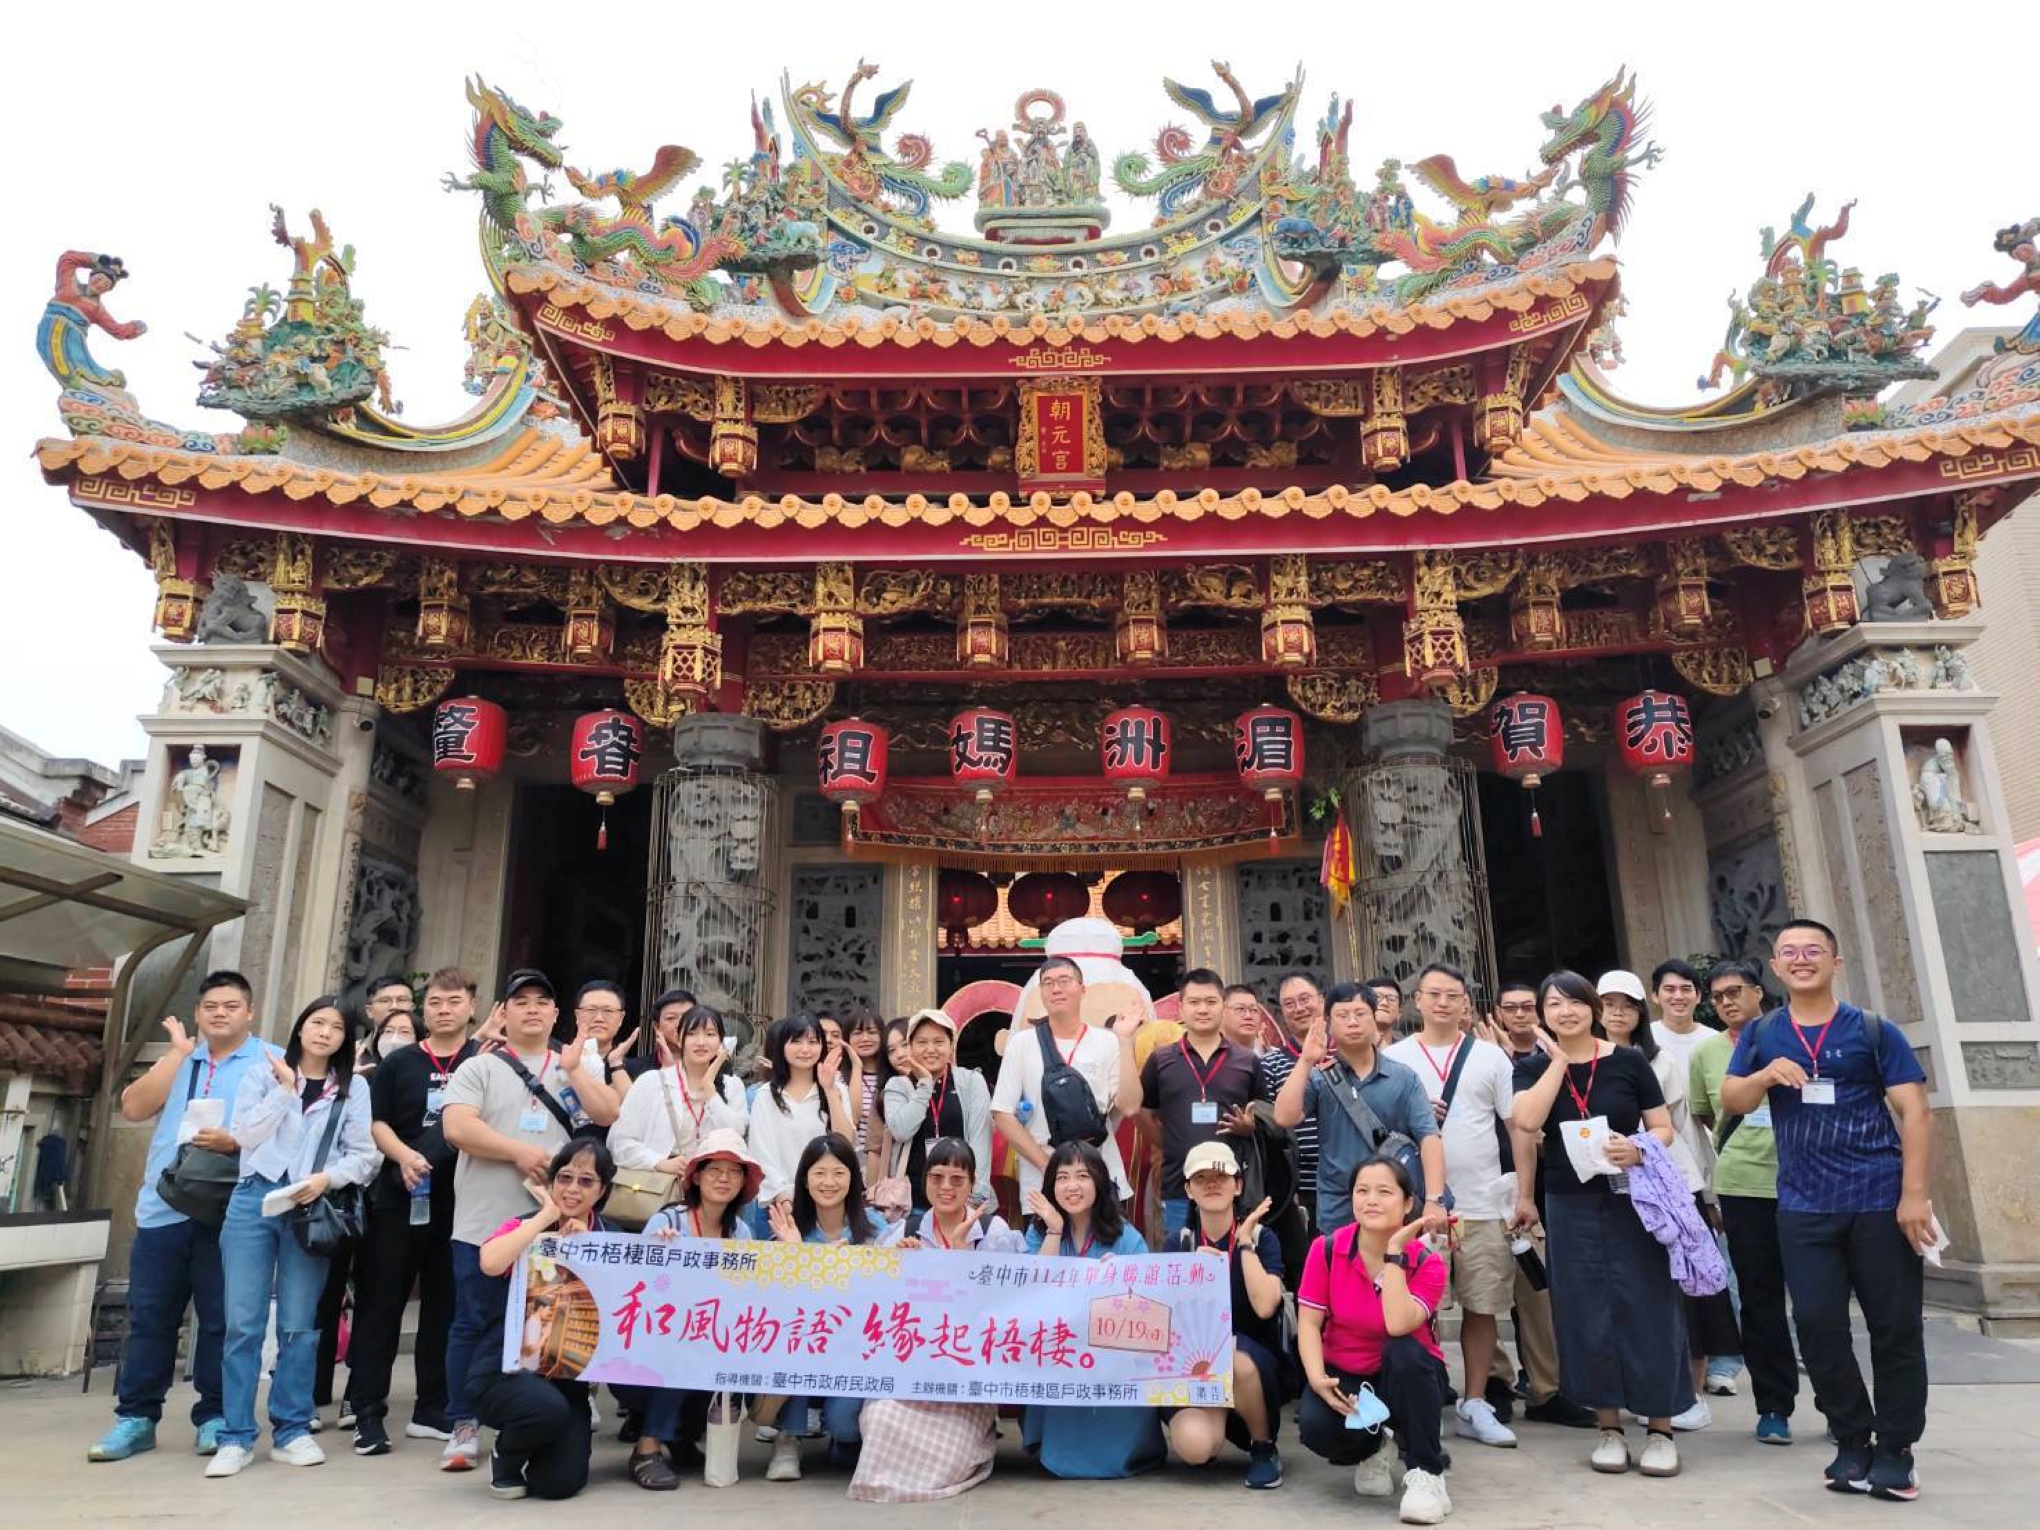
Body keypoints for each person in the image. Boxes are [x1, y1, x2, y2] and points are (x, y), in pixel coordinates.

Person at [1721, 919, 1932, 1501]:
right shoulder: (1763, 1032)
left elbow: (1915, 1111)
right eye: (1789, 952)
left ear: (1835, 962)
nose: (1801, 958)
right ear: (1775, 967)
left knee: (1894, 1327)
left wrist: (1914, 1194)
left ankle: (1897, 1448)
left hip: (1878, 1200)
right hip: (1803, 1205)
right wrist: (1764, 1074)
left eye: (1813, 950)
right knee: (1817, 1325)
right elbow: (1732, 1097)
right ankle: (1852, 1438)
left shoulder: (1872, 1029)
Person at [90, 971, 277, 1464]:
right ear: (197, 1013)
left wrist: (236, 1142)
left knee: (221, 1320)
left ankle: (214, 1417)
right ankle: (136, 1418)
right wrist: (177, 1053)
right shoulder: (180, 1058)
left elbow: (290, 1131)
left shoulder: (271, 1060)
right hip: (163, 1208)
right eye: (210, 1006)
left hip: (232, 1210)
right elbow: (133, 1108)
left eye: (231, 1006)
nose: (220, 1014)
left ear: (250, 1012)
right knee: (151, 1318)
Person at [438, 968, 620, 1471]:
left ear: (557, 1014)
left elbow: (608, 1114)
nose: (533, 1009)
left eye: (543, 1001)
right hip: (486, 1220)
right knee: (473, 1322)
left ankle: (544, 1411)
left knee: (557, 1320)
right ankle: (463, 1422)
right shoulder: (480, 1066)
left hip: (557, 1230)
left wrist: (577, 1071)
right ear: (504, 1012)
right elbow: (456, 1127)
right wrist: (519, 1151)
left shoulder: (571, 1063)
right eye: (522, 1001)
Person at [1511, 971, 1689, 1478]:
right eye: (1554, 1004)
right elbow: (1526, 1122)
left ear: (1592, 1007)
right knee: (1584, 1313)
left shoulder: (1629, 1062)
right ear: (1543, 1015)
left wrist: (1639, 1147)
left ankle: (1660, 1429)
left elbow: (1663, 1126)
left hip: (1635, 1199)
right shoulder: (1532, 1066)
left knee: (1649, 1308)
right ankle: (1608, 1427)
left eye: (1574, 1002)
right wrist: (1557, 1062)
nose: (1565, 1012)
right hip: (1569, 1204)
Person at [206, 996, 380, 1477]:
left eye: (336, 1028)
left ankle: (291, 1429)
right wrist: (285, 1091)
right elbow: (244, 1135)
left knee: (300, 1325)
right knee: (242, 1324)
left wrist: (327, 1179)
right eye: (317, 1022)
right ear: (301, 1027)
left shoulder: (353, 1089)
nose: (325, 1033)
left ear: (347, 1040)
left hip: (310, 1204)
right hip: (253, 1199)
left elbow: (365, 1155)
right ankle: (236, 1435)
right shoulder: (264, 1073)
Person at [1384, 963, 1520, 1449]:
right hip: (1418, 1208)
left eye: (1453, 995)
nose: (1443, 1003)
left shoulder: (1491, 1057)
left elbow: (1515, 1126)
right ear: (1416, 1000)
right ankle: (1425, 1397)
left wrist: (1522, 1194)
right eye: (1433, 994)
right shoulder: (1394, 1058)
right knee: (1419, 1307)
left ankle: (1476, 1400)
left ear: (1466, 1002)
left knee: (1481, 1304)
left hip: (1481, 1202)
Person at [1598, 971, 1738, 1432]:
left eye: (1627, 1004)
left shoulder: (1660, 1060)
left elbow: (1683, 1130)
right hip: (1612, 1188)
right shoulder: (1584, 1059)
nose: (1618, 1013)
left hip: (1671, 1185)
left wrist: (1706, 1191)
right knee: (1634, 1294)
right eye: (1609, 1004)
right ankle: (1640, 1388)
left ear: (1642, 1010)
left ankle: (1691, 1393)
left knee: (1688, 1291)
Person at [350, 967, 479, 1456]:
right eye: (435, 1002)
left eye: (454, 1001)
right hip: (397, 1197)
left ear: (472, 1006)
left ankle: (433, 1409)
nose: (443, 1010)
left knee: (446, 1307)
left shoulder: (483, 1060)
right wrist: (404, 1157)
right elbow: (376, 1121)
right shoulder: (400, 1061)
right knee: (380, 1305)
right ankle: (367, 1411)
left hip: (460, 1200)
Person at [855, 1138, 1023, 1503]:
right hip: (911, 1368)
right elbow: (876, 1301)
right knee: (879, 1417)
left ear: (972, 1183)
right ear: (925, 1181)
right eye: (937, 1177)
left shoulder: (993, 1231)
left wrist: (964, 1259)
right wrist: (897, 1267)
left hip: (966, 1372)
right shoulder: (904, 1231)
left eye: (957, 1179)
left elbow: (1011, 1301)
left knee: (951, 1450)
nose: (946, 1187)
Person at [1294, 1154, 1454, 1525]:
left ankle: (1427, 1473)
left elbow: (1397, 1324)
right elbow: (1309, 1324)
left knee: (1403, 1351)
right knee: (1316, 1427)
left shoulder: (1427, 1263)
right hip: (1349, 1373)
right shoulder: (1327, 1249)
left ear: (1408, 1203)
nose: (1371, 1200)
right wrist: (1317, 1379)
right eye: (1362, 1191)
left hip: (1410, 1376)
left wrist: (1394, 1254)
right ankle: (1377, 1446)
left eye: (1384, 1192)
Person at [471, 1138, 617, 1500]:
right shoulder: (525, 1224)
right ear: (551, 1181)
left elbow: (631, 1294)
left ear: (602, 1191)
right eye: (565, 1177)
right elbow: (490, 1262)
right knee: (544, 1408)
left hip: (568, 1377)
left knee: (558, 1484)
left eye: (586, 1181)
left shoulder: (610, 1237)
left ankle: (540, 1447)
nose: (573, 1189)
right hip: (505, 1369)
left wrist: (589, 1249)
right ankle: (506, 1457)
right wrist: (544, 1219)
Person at [1689, 958, 1797, 1446]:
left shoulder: (1794, 1037)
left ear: (1759, 992)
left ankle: (1840, 1405)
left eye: (1735, 992)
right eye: (1718, 997)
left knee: (1818, 1299)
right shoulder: (1706, 1053)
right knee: (1759, 1298)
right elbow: (1707, 1115)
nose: (1727, 1002)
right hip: (1742, 1186)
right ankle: (1774, 1405)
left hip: (1804, 1182)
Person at [631, 1129, 765, 1489]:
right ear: (697, 1177)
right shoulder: (667, 1223)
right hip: (654, 1350)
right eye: (714, 1170)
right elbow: (638, 1289)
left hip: (713, 1343)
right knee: (681, 1348)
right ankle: (647, 1448)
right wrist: (658, 1254)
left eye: (734, 1172)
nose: (724, 1179)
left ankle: (680, 1436)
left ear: (743, 1182)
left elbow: (747, 1294)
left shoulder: (741, 1233)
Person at [1021, 1140, 1162, 1478]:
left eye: (1082, 1176)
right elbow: (1031, 1295)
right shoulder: (1038, 1231)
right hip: (1060, 1354)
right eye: (1062, 1177)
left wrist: (1121, 1286)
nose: (1072, 1186)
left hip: (1114, 1361)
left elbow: (1150, 1308)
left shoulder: (1127, 1237)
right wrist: (1054, 1230)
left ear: (1099, 1181)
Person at [1273, 981, 1444, 1240]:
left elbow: (1429, 1137)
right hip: (1339, 1208)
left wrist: (1434, 1199)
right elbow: (1283, 1117)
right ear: (1329, 1024)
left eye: (1360, 1013)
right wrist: (1306, 1060)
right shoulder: (1320, 1079)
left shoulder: (1403, 1077)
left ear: (1374, 1019)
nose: (1352, 1022)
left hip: (1393, 1208)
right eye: (1342, 1015)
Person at [759, 1133, 885, 1480]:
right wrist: (798, 1256)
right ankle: (788, 1437)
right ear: (804, 1179)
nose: (829, 1182)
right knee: (795, 1336)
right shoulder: (787, 1231)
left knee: (845, 1429)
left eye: (839, 1173)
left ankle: (843, 1437)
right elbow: (772, 1306)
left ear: (853, 1179)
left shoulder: (878, 1230)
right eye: (819, 1173)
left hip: (856, 1351)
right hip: (806, 1343)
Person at [1164, 1141, 1288, 1489]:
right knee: (1194, 1448)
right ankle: (1221, 1430)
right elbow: (1167, 1320)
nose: (1212, 1184)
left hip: (1251, 1368)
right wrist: (1191, 1277)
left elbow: (1265, 1306)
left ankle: (1263, 1446)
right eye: (1200, 1178)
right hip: (1196, 1369)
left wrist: (1244, 1245)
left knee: (1234, 1356)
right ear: (1188, 1190)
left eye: (1221, 1176)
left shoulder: (1263, 1238)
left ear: (1238, 1185)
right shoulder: (1179, 1243)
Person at [1646, 958, 1742, 1398]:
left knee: (1720, 1269)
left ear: (1698, 996)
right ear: (1655, 996)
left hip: (1715, 1167)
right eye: (1669, 989)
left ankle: (1727, 1361)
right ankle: (1687, 1365)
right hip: (1667, 1173)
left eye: (1686, 989)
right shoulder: (1647, 1043)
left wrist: (1710, 1186)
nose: (1678, 996)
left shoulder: (1715, 1042)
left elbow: (1704, 1117)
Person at [990, 955, 1141, 1210]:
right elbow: (1002, 1113)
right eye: (1048, 983)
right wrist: (1047, 1166)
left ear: (1083, 989)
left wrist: (1125, 1040)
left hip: (1101, 1171)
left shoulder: (1107, 1042)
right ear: (1041, 993)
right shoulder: (1022, 1044)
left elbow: (1130, 1106)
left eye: (1064, 980)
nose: (1056, 988)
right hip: (1042, 1181)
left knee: (1106, 1237)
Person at [1141, 967, 1266, 1240]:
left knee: (1235, 1254)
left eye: (1211, 1002)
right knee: (1182, 1255)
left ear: (1223, 1007)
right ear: (1181, 1009)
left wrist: (1249, 1127)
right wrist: (1168, 1142)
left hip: (1233, 1185)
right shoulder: (1161, 1060)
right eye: (1194, 1002)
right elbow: (1146, 1113)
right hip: (1179, 1183)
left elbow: (1263, 1116)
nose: (1203, 1009)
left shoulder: (1247, 1061)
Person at [610, 1003, 748, 1174]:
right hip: (662, 1181)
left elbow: (736, 1135)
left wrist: (710, 1090)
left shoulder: (732, 1086)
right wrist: (658, 1162)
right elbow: (619, 1142)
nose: (701, 1042)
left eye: (710, 1034)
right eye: (691, 1033)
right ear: (678, 1037)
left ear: (721, 1040)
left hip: (713, 1181)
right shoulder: (652, 1082)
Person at [747, 1014, 856, 1230]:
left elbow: (845, 1143)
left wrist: (829, 1090)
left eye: (813, 1042)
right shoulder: (766, 1095)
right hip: (780, 1207)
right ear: (782, 1046)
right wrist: (784, 1198)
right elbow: (760, 1154)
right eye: (796, 1041)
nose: (805, 1049)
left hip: (828, 1202)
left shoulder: (837, 1090)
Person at [881, 1009, 993, 1209]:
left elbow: (980, 1140)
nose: (930, 1049)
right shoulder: (898, 1086)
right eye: (922, 1042)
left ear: (951, 1046)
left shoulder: (971, 1082)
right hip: (912, 1204)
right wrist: (925, 1085)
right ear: (910, 1047)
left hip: (962, 1203)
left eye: (939, 1042)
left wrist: (975, 1199)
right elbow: (900, 1131)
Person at [1257, 971, 1329, 1232]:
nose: (1298, 1008)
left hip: (1349, 1185)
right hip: (1296, 1187)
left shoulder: (1346, 1054)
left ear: (1322, 1001)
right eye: (1289, 1003)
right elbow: (1268, 1124)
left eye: (1304, 999)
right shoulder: (1270, 1064)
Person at [565, 979, 642, 1101]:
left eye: (608, 1011)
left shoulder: (636, 1070)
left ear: (621, 1018)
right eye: (591, 1010)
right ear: (577, 1015)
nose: (599, 1018)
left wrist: (617, 1065)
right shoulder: (558, 1058)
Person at [624, 988, 695, 1082]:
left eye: (688, 1016)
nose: (680, 1024)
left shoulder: (713, 1067)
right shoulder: (633, 1069)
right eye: (671, 1018)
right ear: (657, 1026)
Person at [1222, 983, 1268, 1054]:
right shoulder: (1210, 1056)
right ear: (1221, 1013)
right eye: (1240, 1009)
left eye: (1254, 1010)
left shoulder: (1274, 1056)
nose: (1248, 1016)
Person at [1367, 976, 1405, 1044]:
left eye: (1391, 999)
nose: (1384, 1003)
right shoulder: (1348, 1047)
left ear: (1399, 1013)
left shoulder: (1406, 1049)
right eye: (1377, 997)